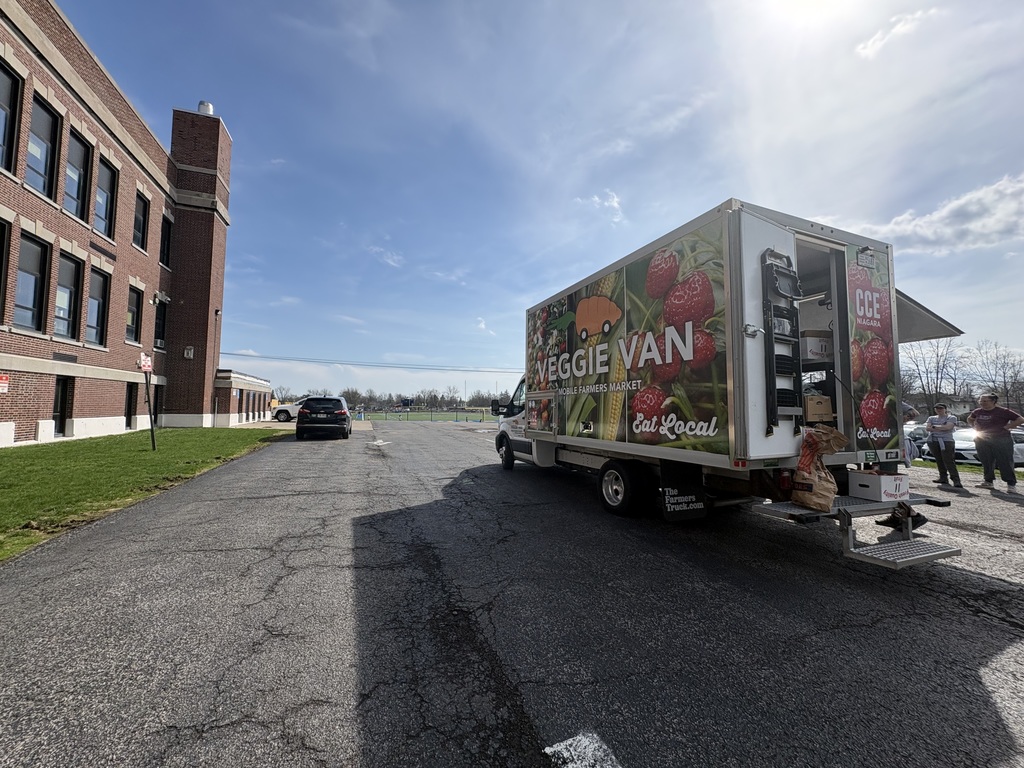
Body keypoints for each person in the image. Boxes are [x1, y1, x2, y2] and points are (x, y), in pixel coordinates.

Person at [967, 394, 1024, 494]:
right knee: (986, 460)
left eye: (985, 401)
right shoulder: (978, 411)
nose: (982, 403)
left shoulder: (1003, 411)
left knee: (1005, 461)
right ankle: (988, 481)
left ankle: (1011, 484)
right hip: (982, 438)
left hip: (1001, 439)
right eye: (981, 401)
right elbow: (970, 418)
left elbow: (1020, 419)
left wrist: (1008, 427)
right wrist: (974, 426)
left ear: (993, 401)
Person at [925, 403, 961, 488]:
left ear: (945, 409)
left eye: (941, 408)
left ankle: (956, 480)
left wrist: (934, 427)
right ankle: (943, 477)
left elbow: (948, 427)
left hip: (946, 441)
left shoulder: (951, 417)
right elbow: (927, 428)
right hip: (934, 441)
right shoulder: (931, 418)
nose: (939, 410)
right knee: (939, 460)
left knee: (949, 460)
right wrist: (941, 427)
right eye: (937, 408)